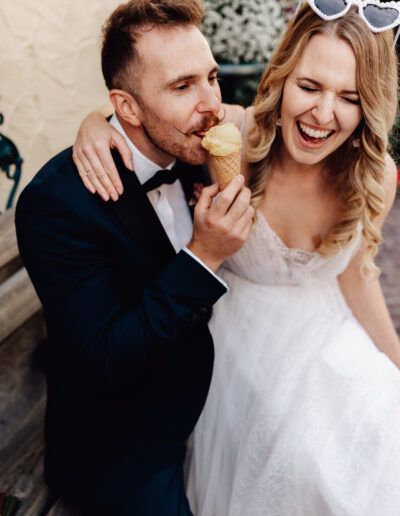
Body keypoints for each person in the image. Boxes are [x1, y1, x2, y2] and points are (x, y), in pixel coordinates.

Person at [73, 1, 400, 514]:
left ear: (371, 105)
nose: (322, 114)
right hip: (238, 343)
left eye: (350, 97)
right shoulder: (232, 137)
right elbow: (146, 115)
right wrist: (94, 123)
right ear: (282, 76)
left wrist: (396, 363)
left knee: (382, 442)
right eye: (309, 86)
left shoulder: (375, 176)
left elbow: (358, 279)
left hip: (330, 334)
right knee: (309, 461)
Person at [14, 1, 255, 514]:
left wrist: (93, 118)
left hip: (217, 400)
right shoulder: (55, 205)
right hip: (125, 446)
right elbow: (104, 359)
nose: (211, 103)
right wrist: (203, 256)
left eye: (211, 77)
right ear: (126, 107)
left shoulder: (195, 145)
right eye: (182, 86)